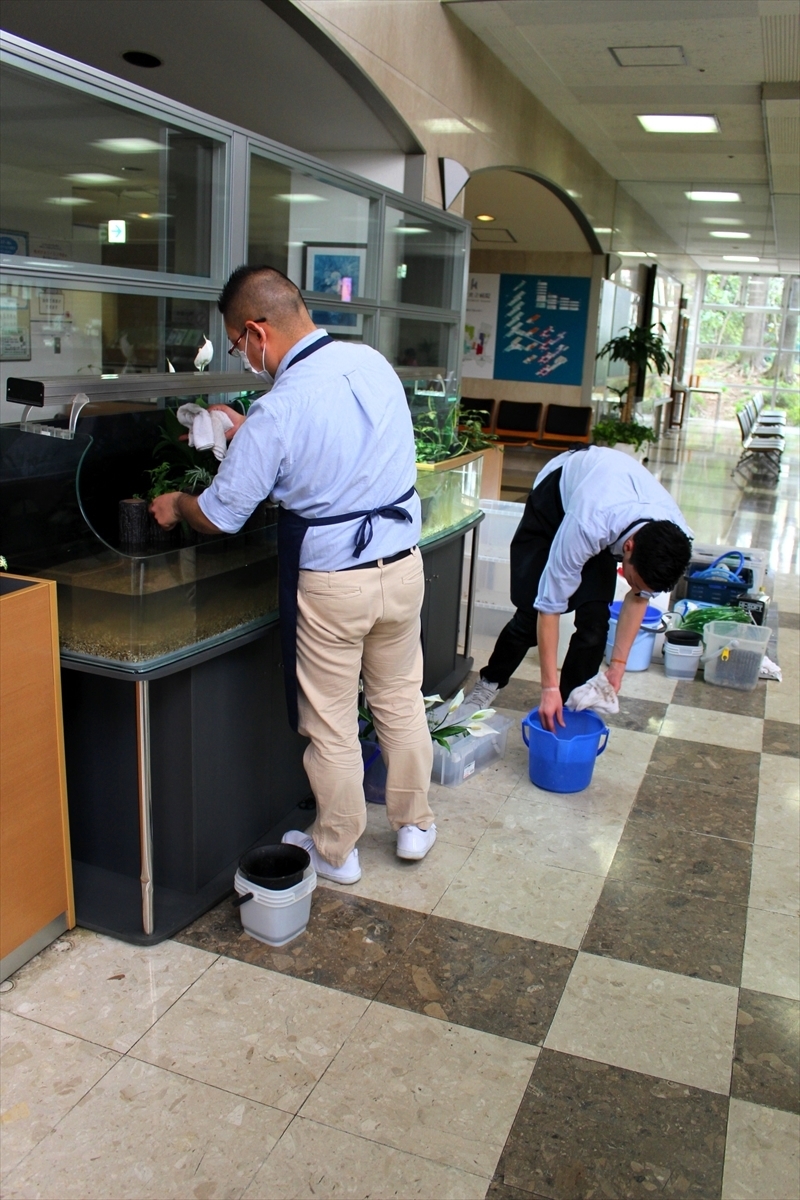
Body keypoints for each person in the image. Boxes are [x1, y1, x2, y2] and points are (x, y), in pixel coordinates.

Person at [150, 265, 435, 885]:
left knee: (330, 721)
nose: (242, 356)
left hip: (335, 582)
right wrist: (241, 427)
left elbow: (223, 515)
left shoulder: (280, 408)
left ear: (256, 332)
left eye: (236, 343)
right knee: (398, 698)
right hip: (403, 566)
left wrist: (177, 505)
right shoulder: (371, 364)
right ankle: (414, 826)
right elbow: (337, 442)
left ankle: (337, 851)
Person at [465, 445, 692, 731]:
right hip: (557, 499)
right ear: (629, 548)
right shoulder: (589, 524)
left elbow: (639, 597)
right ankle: (490, 683)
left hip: (613, 504)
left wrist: (618, 665)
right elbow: (550, 607)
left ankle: (572, 703)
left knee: (595, 621)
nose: (634, 587)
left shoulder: (674, 539)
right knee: (529, 616)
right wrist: (548, 688)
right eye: (633, 580)